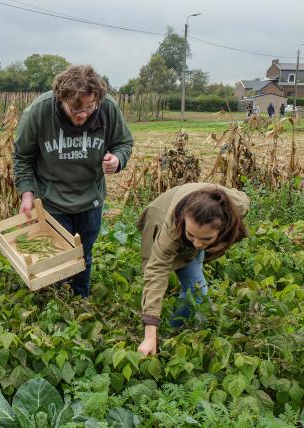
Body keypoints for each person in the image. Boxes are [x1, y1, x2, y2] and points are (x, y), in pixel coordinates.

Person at [13, 64, 134, 297]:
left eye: (89, 108)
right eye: (76, 108)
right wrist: (27, 193)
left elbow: (124, 143)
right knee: (58, 257)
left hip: (91, 199)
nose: (83, 114)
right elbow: (22, 156)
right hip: (53, 199)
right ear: (61, 99)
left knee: (83, 253)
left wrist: (118, 159)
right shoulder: (39, 112)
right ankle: (56, 303)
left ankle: (80, 299)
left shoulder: (108, 108)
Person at [137, 183, 250, 356]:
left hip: (195, 224)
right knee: (197, 293)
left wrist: (215, 243)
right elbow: (156, 271)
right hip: (160, 216)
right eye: (191, 236)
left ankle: (178, 329)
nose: (196, 244)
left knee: (195, 287)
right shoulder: (171, 229)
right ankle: (166, 337)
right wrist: (150, 335)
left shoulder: (238, 206)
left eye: (206, 238)